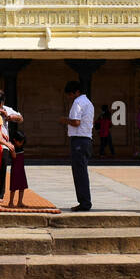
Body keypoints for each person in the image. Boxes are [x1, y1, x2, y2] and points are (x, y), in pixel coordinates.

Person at [62, 80, 95, 211]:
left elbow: (76, 122)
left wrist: (64, 120)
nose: (70, 97)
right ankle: (84, 201)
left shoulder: (78, 102)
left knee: (79, 173)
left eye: (70, 94)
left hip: (79, 140)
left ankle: (85, 202)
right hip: (86, 139)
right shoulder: (89, 103)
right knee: (82, 172)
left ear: (76, 92)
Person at [6, 132, 29, 208]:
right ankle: (11, 202)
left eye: (22, 142)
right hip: (15, 170)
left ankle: (20, 202)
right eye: (20, 142)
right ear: (15, 140)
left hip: (21, 169)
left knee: (22, 187)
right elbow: (14, 157)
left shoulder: (21, 147)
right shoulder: (12, 147)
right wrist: (12, 148)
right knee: (14, 187)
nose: (21, 143)